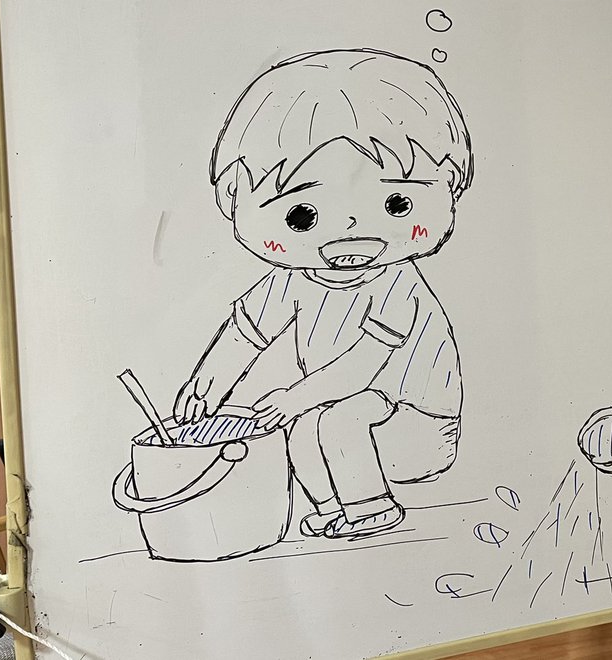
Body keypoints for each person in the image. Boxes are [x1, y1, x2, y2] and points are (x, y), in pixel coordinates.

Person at [172, 48, 474, 538]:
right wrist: (204, 389)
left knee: (333, 420)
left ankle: (371, 507)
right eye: (302, 216)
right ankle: (334, 507)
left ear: (451, 183)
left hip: (417, 425)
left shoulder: (398, 284)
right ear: (233, 197)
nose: (351, 235)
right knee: (303, 424)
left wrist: (293, 397)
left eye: (396, 203)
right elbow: (243, 335)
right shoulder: (291, 279)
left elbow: (362, 367)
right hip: (349, 414)